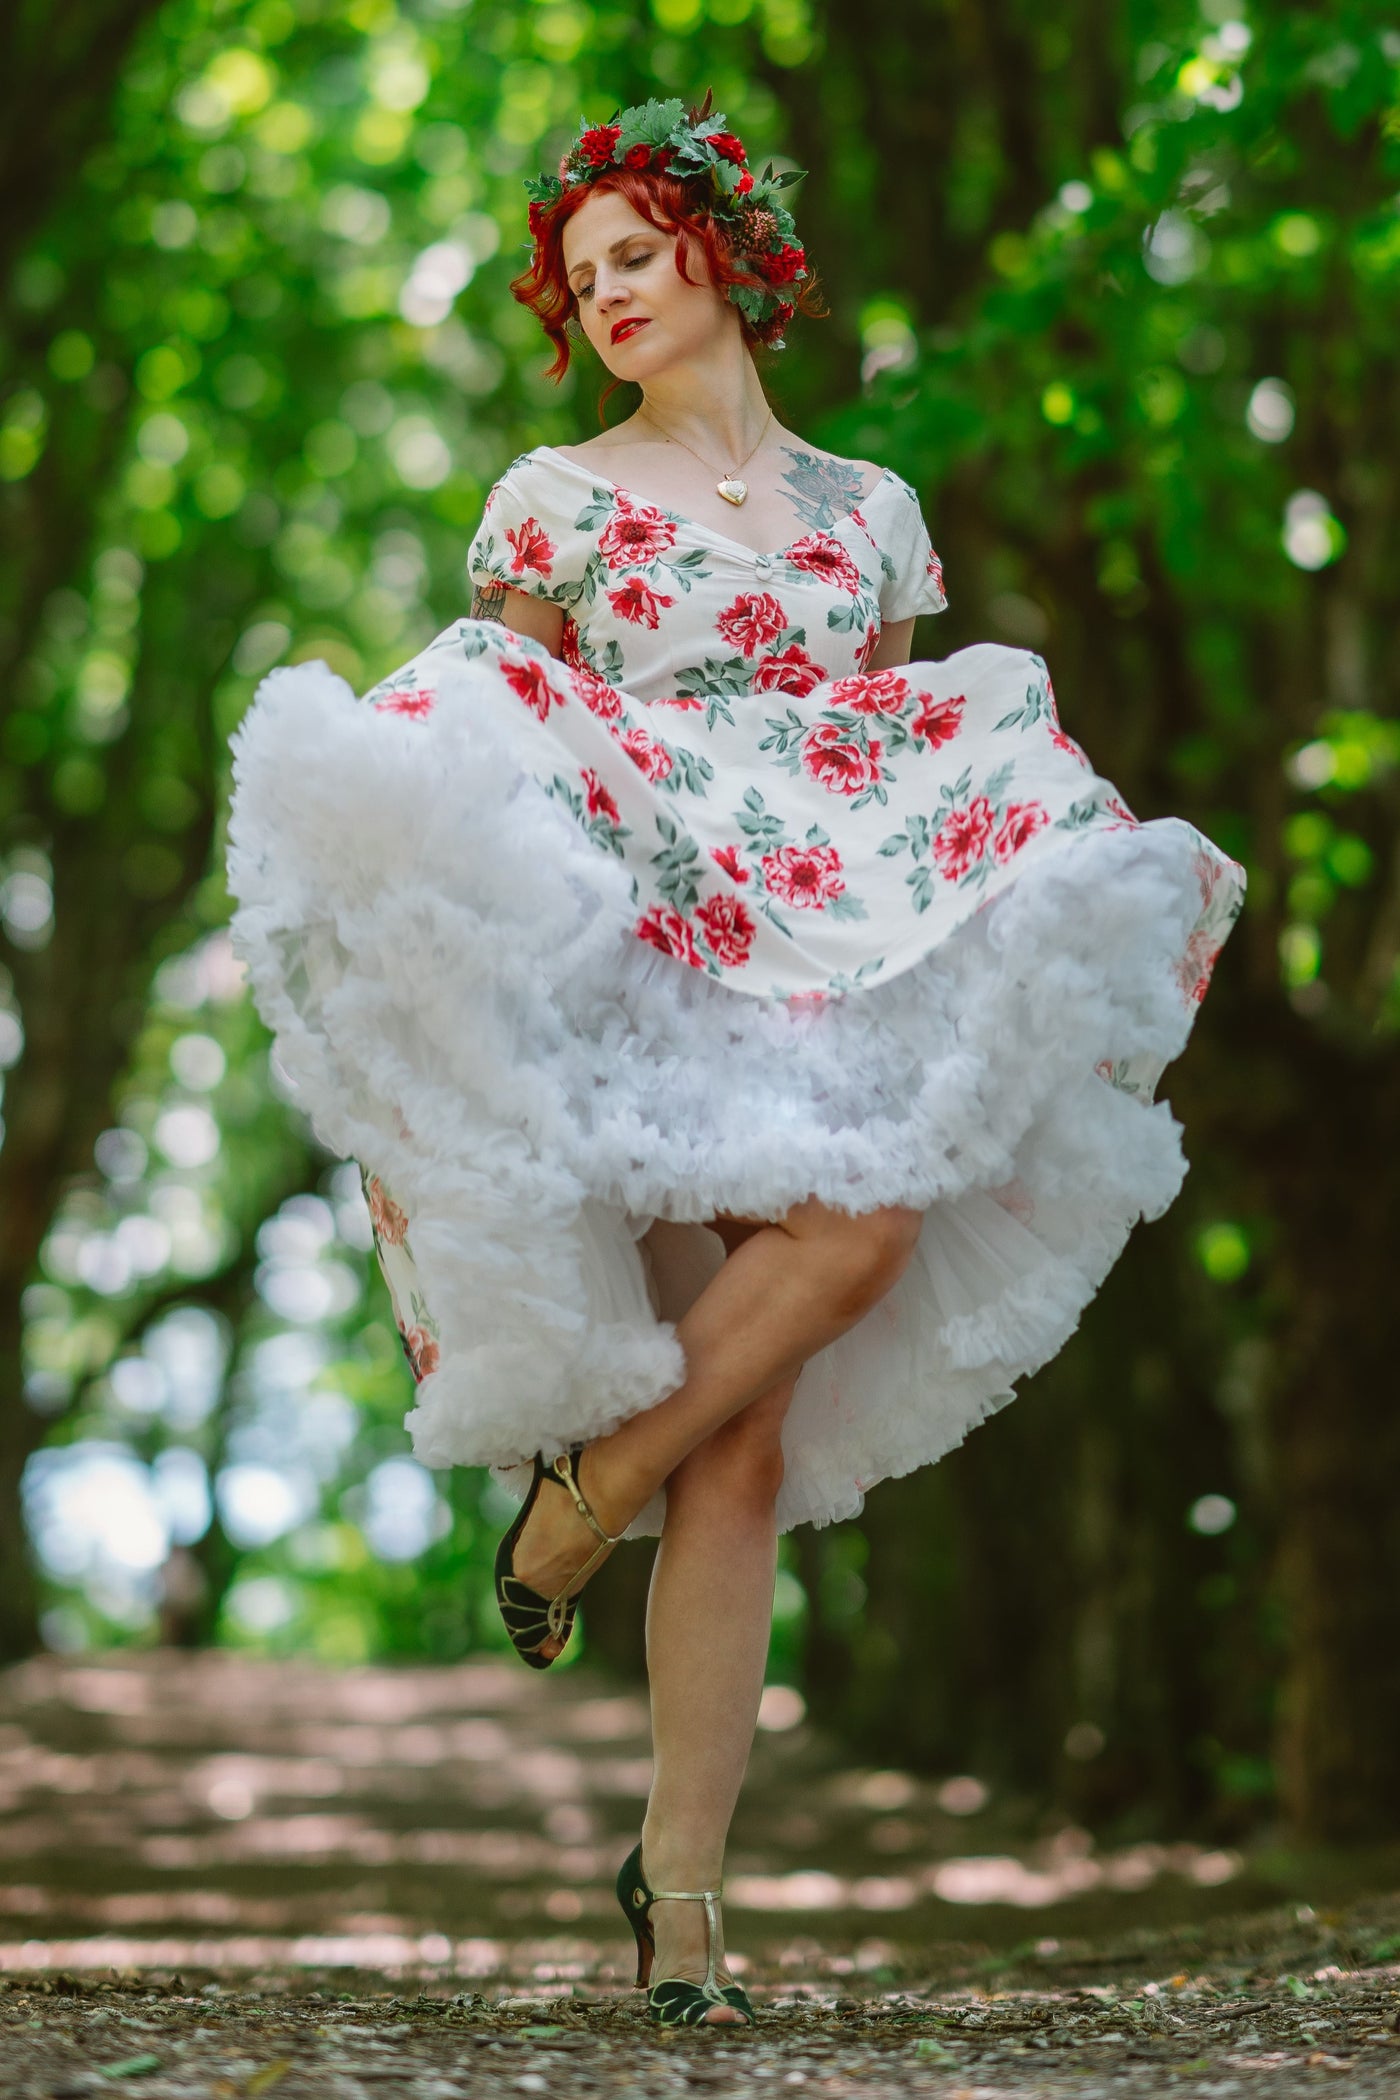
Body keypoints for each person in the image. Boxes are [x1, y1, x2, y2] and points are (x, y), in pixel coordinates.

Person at [226, 94, 1245, 2026]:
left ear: (721, 254)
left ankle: (667, 1848)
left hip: (825, 981)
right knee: (812, 1303)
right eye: (580, 274)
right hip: (651, 980)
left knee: (760, 1418)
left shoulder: (875, 517)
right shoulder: (554, 496)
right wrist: (447, 1042)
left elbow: (892, 772)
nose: (606, 293)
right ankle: (619, 1622)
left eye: (636, 254)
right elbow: (491, 749)